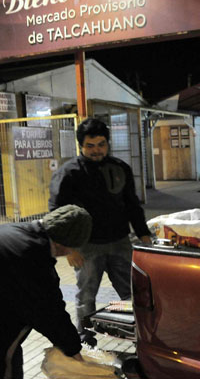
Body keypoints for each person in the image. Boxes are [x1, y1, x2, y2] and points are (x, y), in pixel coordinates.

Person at [49, 117, 152, 347]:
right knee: (86, 296)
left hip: (120, 242)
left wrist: (144, 235)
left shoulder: (120, 168)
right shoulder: (68, 173)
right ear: (80, 146)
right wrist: (68, 249)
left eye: (101, 144)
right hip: (86, 247)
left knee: (130, 294)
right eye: (90, 146)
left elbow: (132, 205)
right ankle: (86, 339)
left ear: (108, 143)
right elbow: (57, 212)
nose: (97, 150)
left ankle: (136, 335)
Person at [0, 204, 92, 379]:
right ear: (65, 245)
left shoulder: (24, 234)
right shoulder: (28, 254)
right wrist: (74, 351)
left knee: (9, 360)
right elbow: (48, 311)